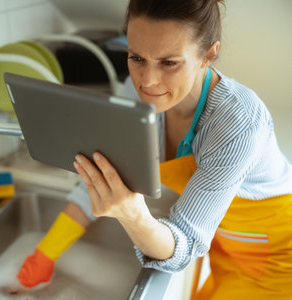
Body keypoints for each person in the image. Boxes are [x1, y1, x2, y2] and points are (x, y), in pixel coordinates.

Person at [17, 0, 292, 298]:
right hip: (222, 245)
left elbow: (183, 245)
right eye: (136, 58)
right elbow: (100, 176)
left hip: (280, 254)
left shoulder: (238, 122)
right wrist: (46, 252)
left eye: (169, 62)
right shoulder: (133, 96)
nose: (147, 81)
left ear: (208, 54)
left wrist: (134, 216)